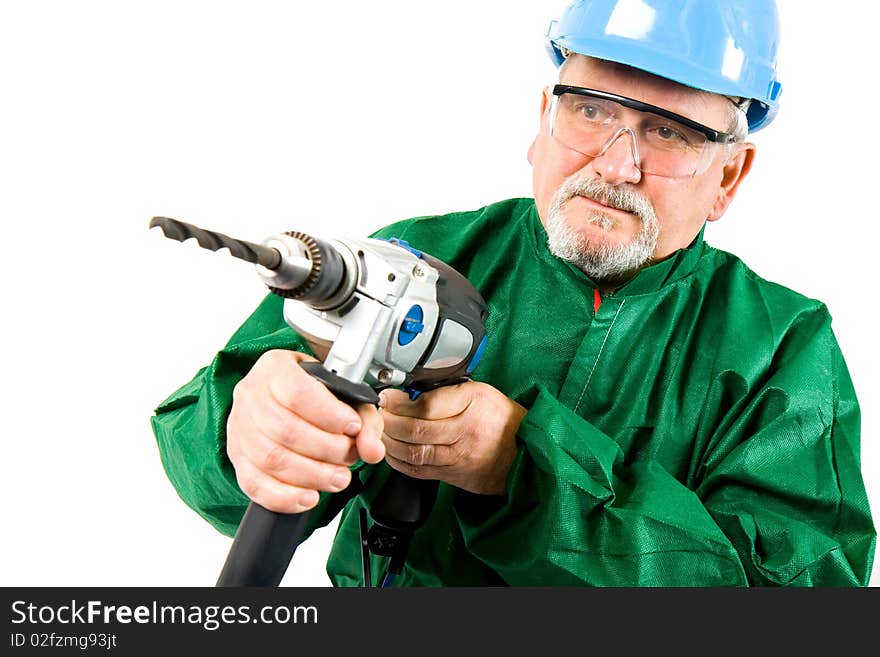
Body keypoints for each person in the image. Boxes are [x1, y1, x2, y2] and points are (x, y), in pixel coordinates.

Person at [151, 0, 876, 586]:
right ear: (543, 118)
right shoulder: (417, 257)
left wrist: (522, 467)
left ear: (729, 176)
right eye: (592, 109)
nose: (618, 163)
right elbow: (197, 445)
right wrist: (244, 427)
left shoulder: (783, 349)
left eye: (670, 131)